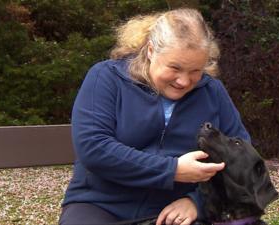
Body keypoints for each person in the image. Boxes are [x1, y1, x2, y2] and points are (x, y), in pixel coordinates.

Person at [59, 8, 250, 225]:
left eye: (196, 70)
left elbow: (241, 158)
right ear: (151, 51)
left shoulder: (212, 91)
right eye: (175, 68)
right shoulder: (106, 77)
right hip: (99, 204)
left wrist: (199, 202)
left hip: (173, 210)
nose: (184, 81)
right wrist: (172, 170)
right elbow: (93, 147)